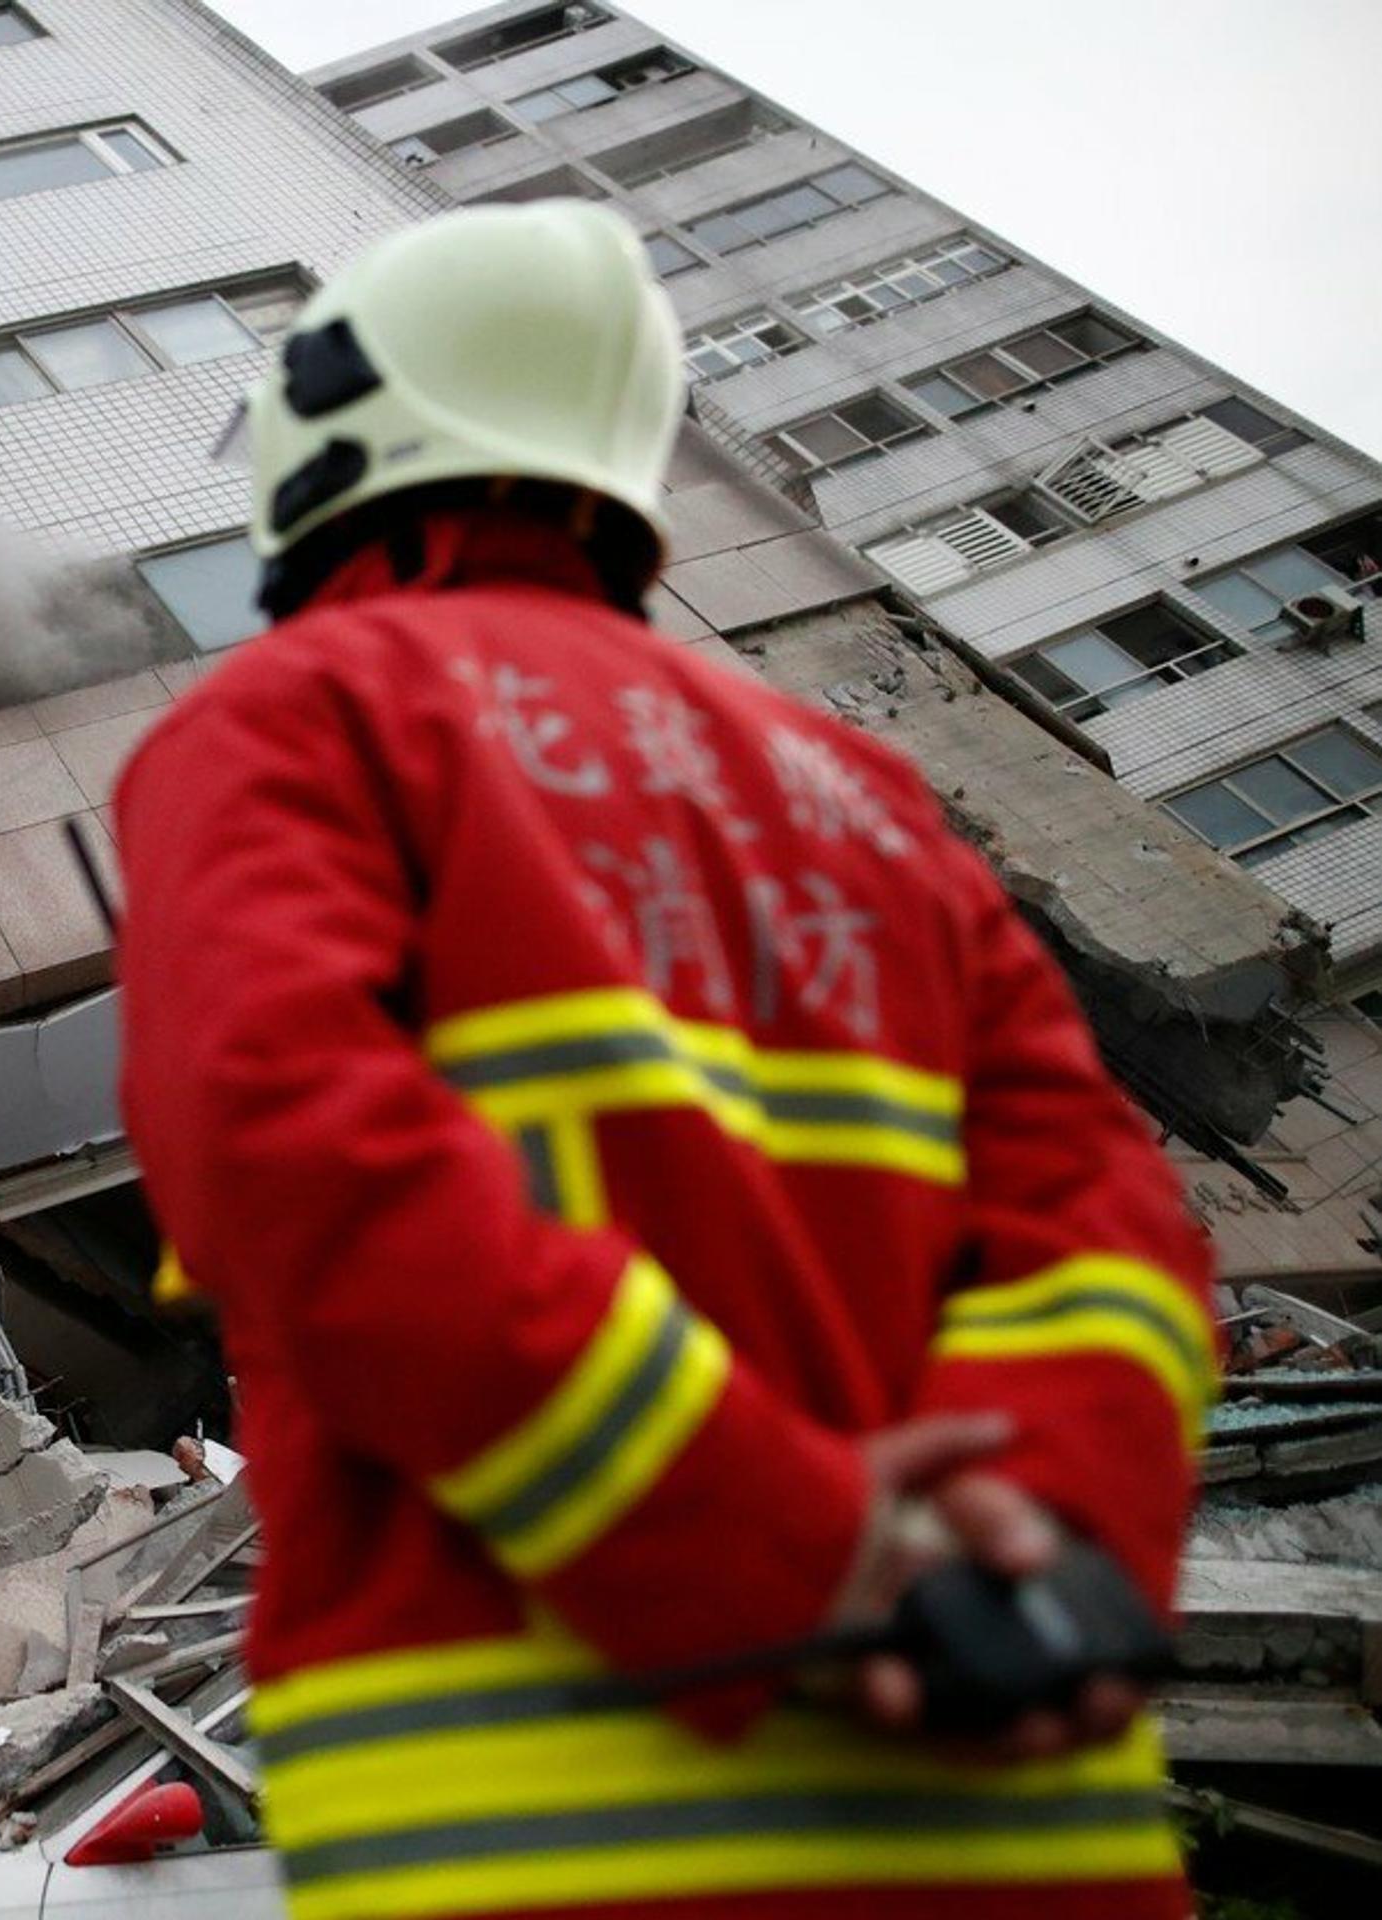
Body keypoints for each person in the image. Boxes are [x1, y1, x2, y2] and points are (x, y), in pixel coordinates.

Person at [113, 203, 1215, 1920]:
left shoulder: (291, 721)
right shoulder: (868, 801)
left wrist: (789, 1546)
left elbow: (287, 1151)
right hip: (1019, 1797)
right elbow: (1117, 1243)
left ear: (336, 419)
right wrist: (1028, 1556)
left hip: (539, 1814)